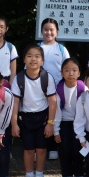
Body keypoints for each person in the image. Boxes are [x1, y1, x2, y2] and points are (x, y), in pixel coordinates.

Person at [11, 45, 57, 177]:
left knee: (42, 149)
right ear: (24, 59)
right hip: (26, 118)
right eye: (29, 56)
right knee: (29, 149)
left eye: (37, 56)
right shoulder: (19, 78)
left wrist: (50, 123)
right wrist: (14, 124)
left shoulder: (47, 77)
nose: (33, 59)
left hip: (43, 117)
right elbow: (15, 103)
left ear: (42, 60)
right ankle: (29, 176)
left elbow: (52, 102)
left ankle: (40, 175)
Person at [38, 18, 69, 160]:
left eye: (51, 30)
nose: (48, 32)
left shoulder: (61, 49)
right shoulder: (37, 48)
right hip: (38, 90)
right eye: (46, 29)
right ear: (41, 31)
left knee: (56, 117)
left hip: (57, 89)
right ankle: (41, 147)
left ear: (57, 32)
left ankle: (53, 147)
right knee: (42, 117)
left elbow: (67, 68)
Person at [53, 58, 86, 177]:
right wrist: (56, 130)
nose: (70, 73)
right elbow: (56, 110)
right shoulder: (58, 89)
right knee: (64, 149)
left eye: (74, 70)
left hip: (79, 123)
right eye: (66, 70)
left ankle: (79, 174)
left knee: (78, 148)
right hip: (64, 123)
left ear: (79, 73)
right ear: (61, 73)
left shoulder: (83, 89)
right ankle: (66, 175)